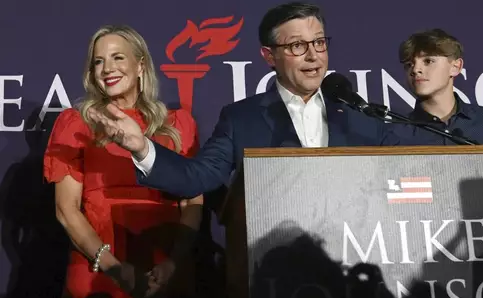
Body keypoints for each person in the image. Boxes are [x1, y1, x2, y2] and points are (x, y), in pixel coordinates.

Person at [88, 2, 400, 199]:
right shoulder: (242, 120)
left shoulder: (358, 114)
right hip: (277, 278)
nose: (313, 55)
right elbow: (197, 178)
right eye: (297, 45)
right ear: (269, 56)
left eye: (319, 42)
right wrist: (142, 147)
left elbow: (403, 176)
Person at [43, 25, 203, 298]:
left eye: (117, 57)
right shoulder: (75, 124)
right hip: (97, 269)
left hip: (164, 270)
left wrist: (173, 262)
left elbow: (192, 202)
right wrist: (114, 268)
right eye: (98, 61)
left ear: (141, 65)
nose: (107, 68)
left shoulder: (178, 125)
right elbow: (66, 210)